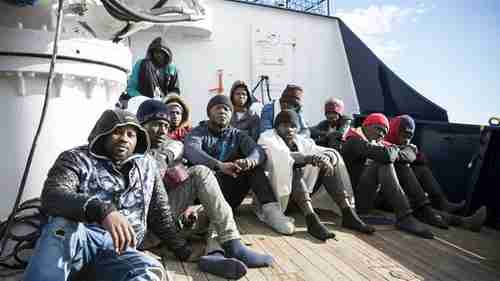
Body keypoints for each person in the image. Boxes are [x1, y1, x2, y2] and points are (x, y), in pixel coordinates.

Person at [24, 109, 190, 281]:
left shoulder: (148, 165)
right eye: (117, 132)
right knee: (60, 226)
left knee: (152, 269)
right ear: (102, 133)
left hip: (120, 251)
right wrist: (101, 209)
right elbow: (53, 195)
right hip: (79, 241)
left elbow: (160, 213)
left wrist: (182, 250)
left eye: (130, 134)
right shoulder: (75, 158)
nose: (124, 138)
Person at [137, 100, 273, 279]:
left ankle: (215, 253)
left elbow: (257, 152)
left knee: (214, 207)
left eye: (165, 125)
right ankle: (230, 245)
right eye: (156, 125)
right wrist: (182, 249)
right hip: (151, 229)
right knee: (202, 173)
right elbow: (156, 205)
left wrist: (249, 161)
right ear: (141, 125)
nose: (162, 130)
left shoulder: (169, 147)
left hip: (172, 219)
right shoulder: (135, 154)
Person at [184, 95, 295, 235]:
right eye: (218, 108)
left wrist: (249, 161)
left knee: (253, 167)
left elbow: (258, 151)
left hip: (229, 193)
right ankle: (201, 214)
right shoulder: (198, 132)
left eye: (226, 109)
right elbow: (192, 150)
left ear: (231, 114)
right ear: (209, 112)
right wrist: (219, 165)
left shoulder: (238, 134)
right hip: (203, 192)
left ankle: (271, 212)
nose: (222, 111)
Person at [259, 110, 375, 241]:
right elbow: (282, 156)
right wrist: (311, 158)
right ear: (277, 126)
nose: (289, 129)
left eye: (293, 126)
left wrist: (325, 158)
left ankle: (348, 213)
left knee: (328, 162)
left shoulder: (300, 140)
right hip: (276, 196)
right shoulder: (268, 137)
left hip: (297, 197)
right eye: (284, 125)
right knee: (293, 166)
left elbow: (318, 150)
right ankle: (311, 219)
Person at [384, 115, 486, 232]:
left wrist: (408, 153)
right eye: (403, 134)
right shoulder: (381, 143)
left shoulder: (403, 146)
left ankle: (442, 203)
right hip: (383, 194)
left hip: (395, 189)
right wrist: (408, 152)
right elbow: (395, 156)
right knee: (413, 203)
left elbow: (420, 158)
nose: (406, 139)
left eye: (410, 136)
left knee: (421, 169)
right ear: (394, 130)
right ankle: (463, 222)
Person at [342, 113, 435, 238]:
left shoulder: (375, 143)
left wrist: (397, 150)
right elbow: (387, 156)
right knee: (384, 162)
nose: (381, 134)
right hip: (353, 201)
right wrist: (397, 149)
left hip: (369, 198)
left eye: (384, 132)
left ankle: (424, 208)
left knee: (401, 165)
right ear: (367, 125)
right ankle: (405, 216)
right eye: (378, 128)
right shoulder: (353, 141)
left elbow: (412, 156)